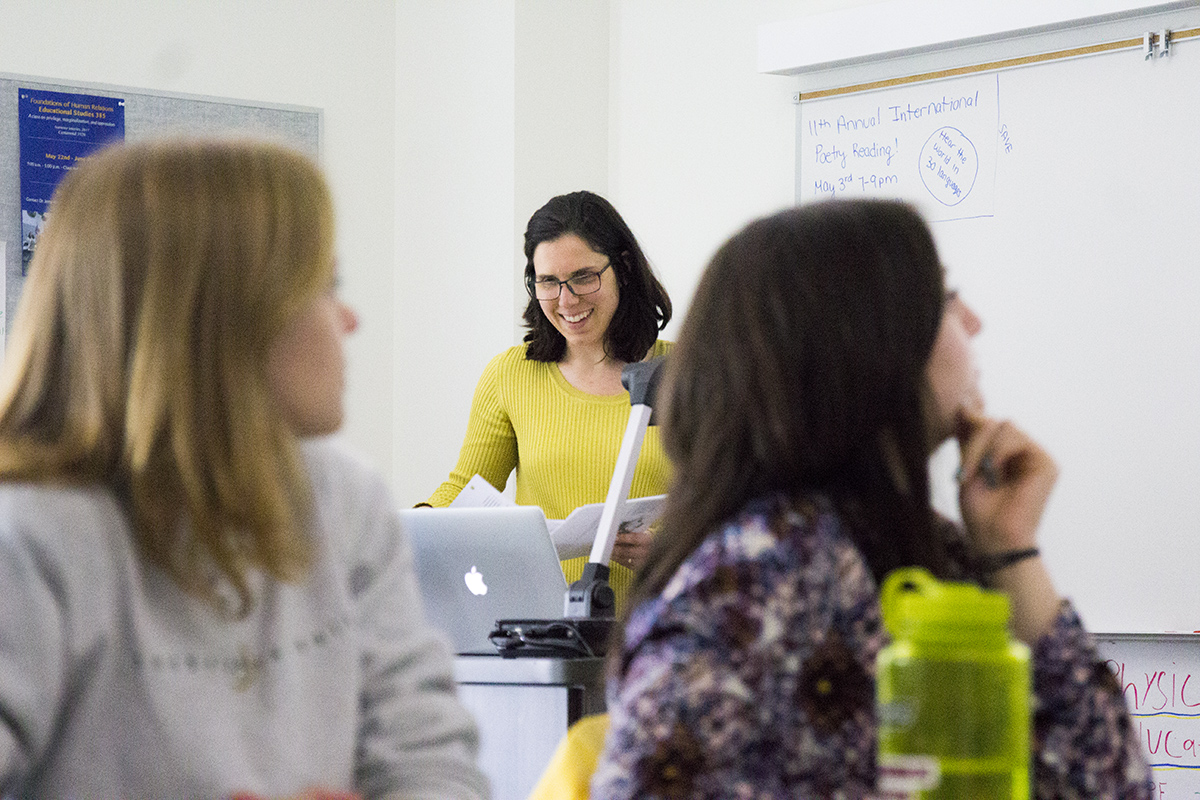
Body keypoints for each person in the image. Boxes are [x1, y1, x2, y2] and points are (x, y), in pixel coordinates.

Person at [590, 199, 1154, 799]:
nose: (975, 322)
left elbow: (1105, 785)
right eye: (944, 300)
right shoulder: (751, 587)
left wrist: (1010, 547)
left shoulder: (912, 543)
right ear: (865, 347)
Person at [0, 138, 489, 800]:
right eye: (323, 288)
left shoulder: (346, 499)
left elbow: (431, 758)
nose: (348, 319)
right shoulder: (29, 536)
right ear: (219, 318)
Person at [425, 191, 672, 609]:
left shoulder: (688, 374)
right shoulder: (511, 374)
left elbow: (733, 510)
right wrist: (413, 530)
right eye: (548, 282)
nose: (566, 300)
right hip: (541, 630)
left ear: (624, 269)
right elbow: (464, 487)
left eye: (583, 277)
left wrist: (670, 548)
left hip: (660, 627)